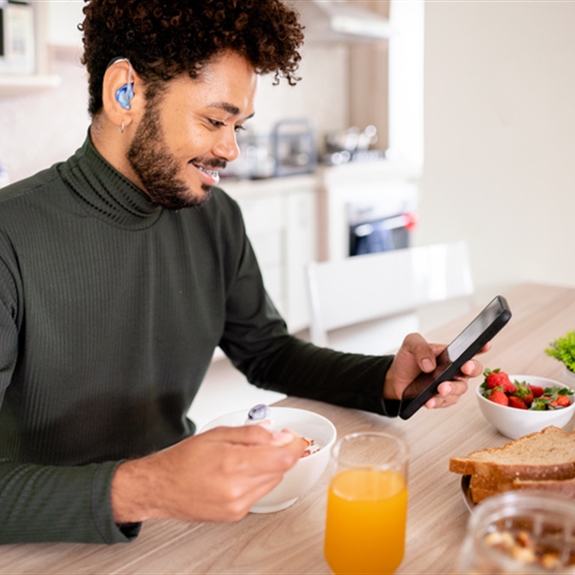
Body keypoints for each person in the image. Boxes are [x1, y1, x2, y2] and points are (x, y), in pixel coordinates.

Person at [0, 0, 485, 545]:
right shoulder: (8, 238)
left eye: (239, 126)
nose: (230, 149)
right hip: (40, 542)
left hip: (179, 526)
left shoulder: (215, 218)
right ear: (125, 93)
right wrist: (144, 488)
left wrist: (383, 381)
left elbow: (267, 352)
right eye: (214, 119)